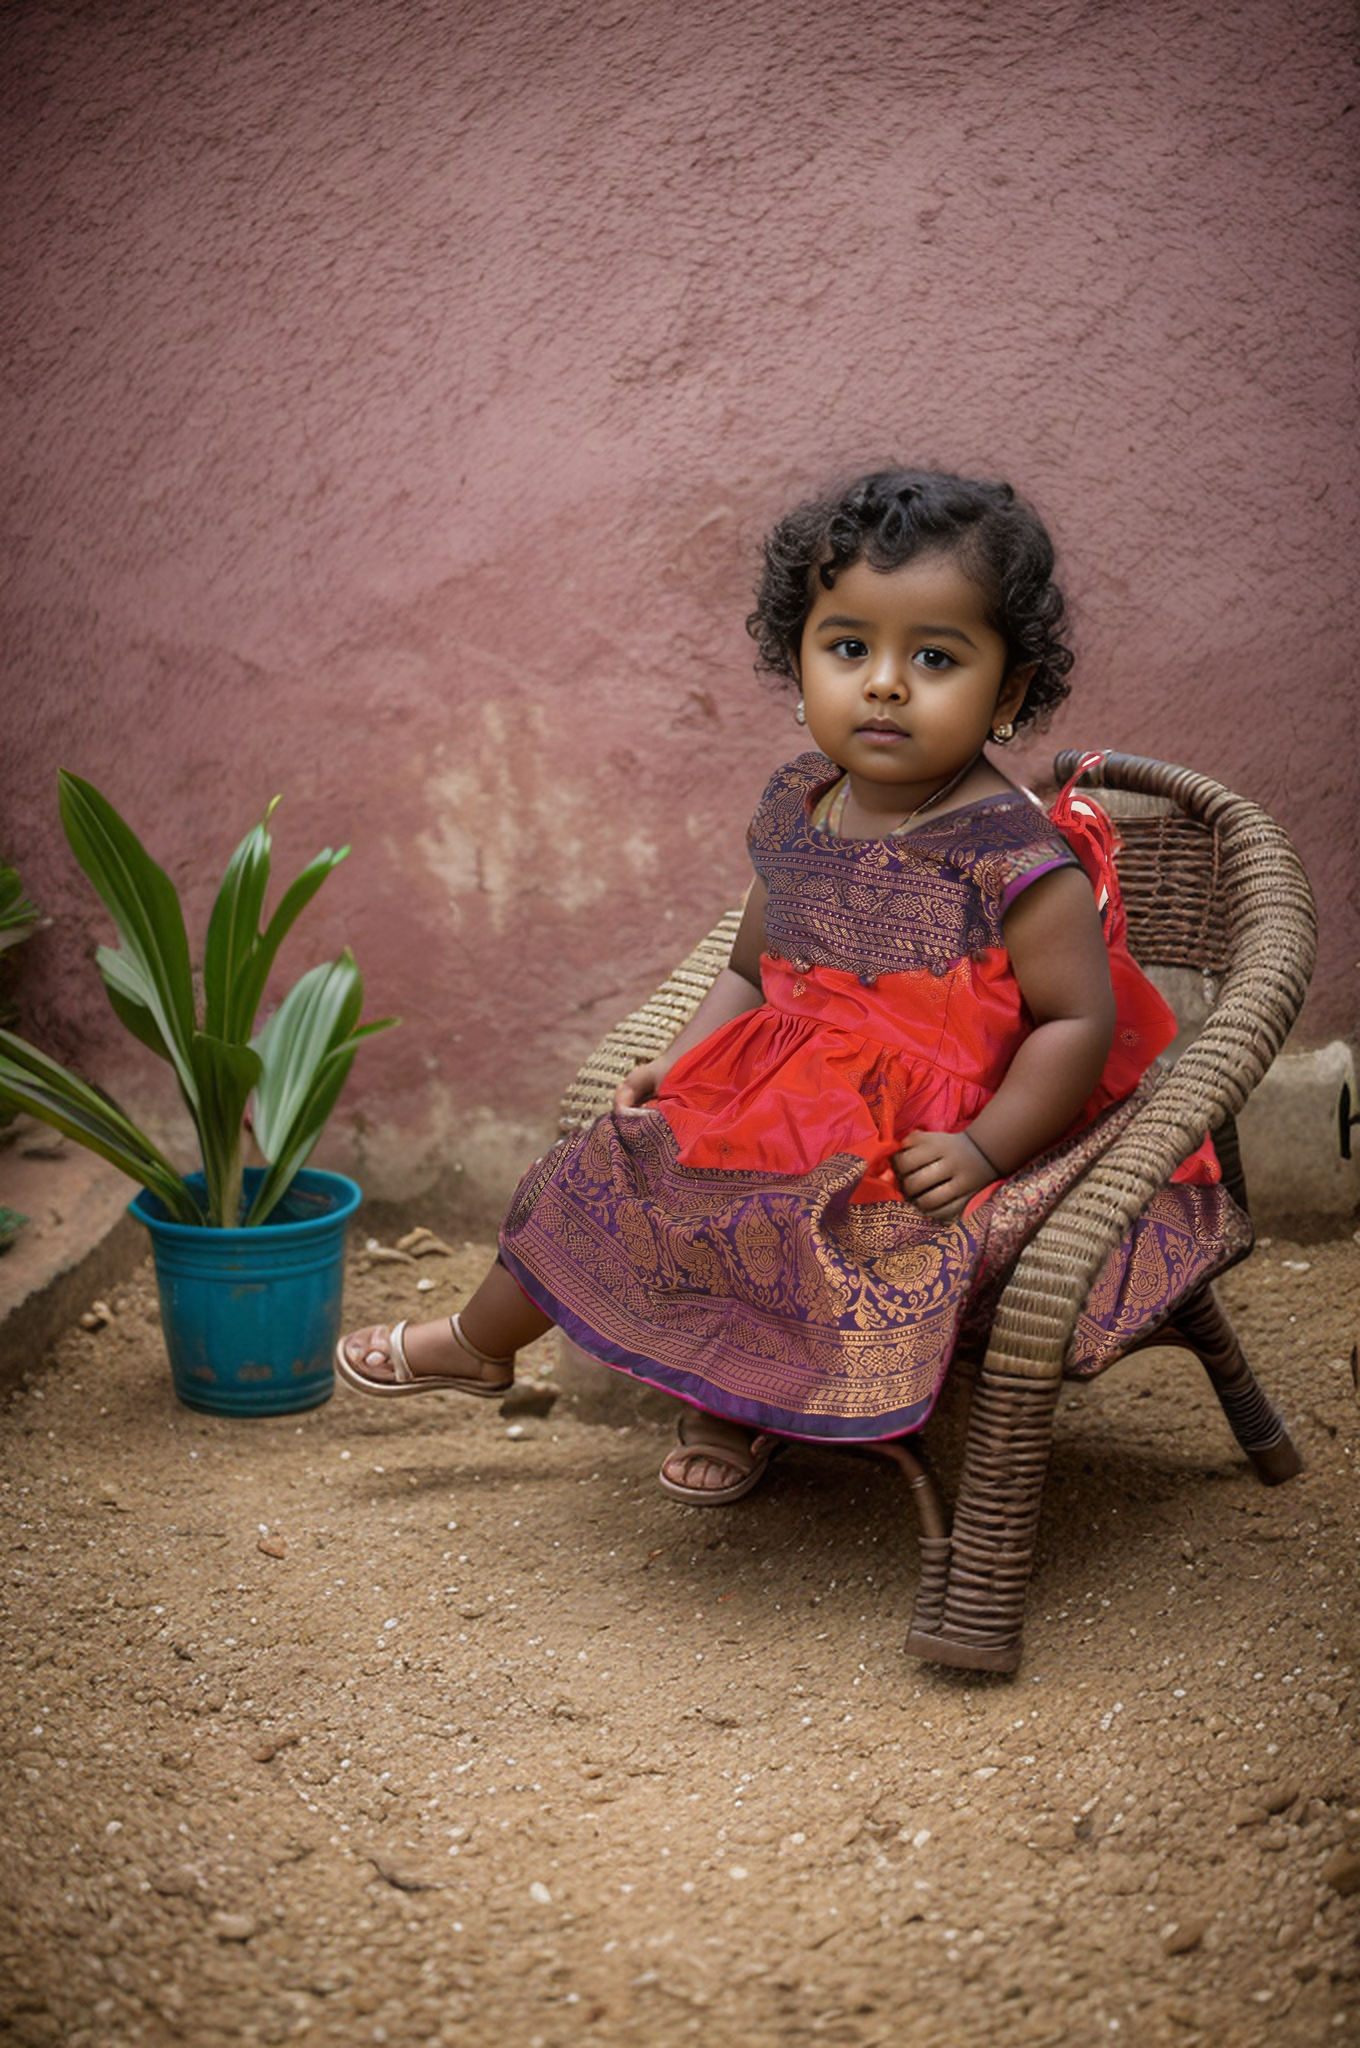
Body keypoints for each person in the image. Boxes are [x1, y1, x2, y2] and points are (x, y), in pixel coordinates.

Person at [336, 468, 1246, 1503]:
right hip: (779, 1086)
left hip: (931, 1126)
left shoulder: (1011, 856)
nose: (885, 682)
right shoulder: (808, 811)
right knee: (611, 1167)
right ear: (799, 657)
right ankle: (478, 1336)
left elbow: (1076, 1023)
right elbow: (747, 967)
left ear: (1006, 690)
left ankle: (732, 1409)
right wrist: (680, 1066)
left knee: (783, 1224)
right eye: (849, 646)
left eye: (935, 656)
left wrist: (984, 1144)